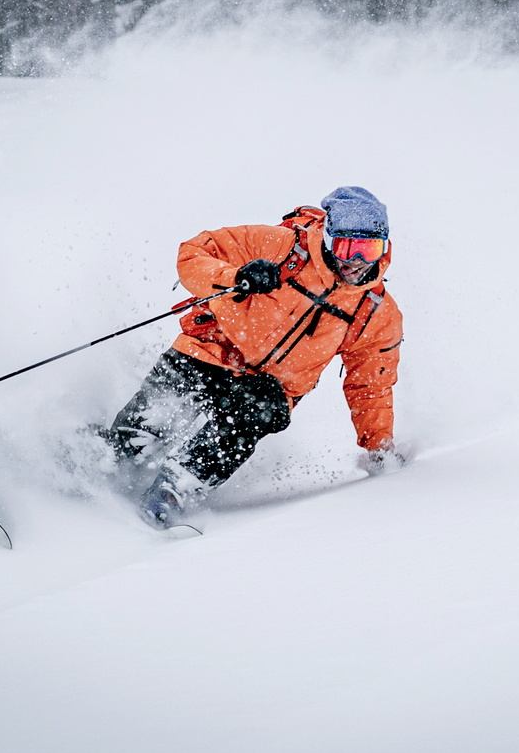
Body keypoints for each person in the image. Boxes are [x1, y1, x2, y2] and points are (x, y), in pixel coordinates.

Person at [105, 187, 404, 529]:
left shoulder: (374, 312)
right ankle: (103, 458)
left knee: (255, 412)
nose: (356, 261)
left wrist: (380, 448)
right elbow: (193, 253)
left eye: (369, 249)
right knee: (139, 433)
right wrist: (236, 277)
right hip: (211, 349)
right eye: (346, 246)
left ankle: (176, 489)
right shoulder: (278, 246)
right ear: (328, 237)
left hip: (269, 388)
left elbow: (371, 386)